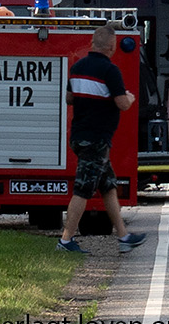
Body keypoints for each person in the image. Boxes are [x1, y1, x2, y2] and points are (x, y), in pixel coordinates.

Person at [58, 24, 148, 254]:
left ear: (92, 43)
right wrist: (129, 97)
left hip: (79, 136)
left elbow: (70, 98)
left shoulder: (78, 67)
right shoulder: (110, 71)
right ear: (111, 46)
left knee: (108, 186)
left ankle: (123, 236)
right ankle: (66, 241)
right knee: (83, 189)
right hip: (96, 140)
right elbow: (121, 104)